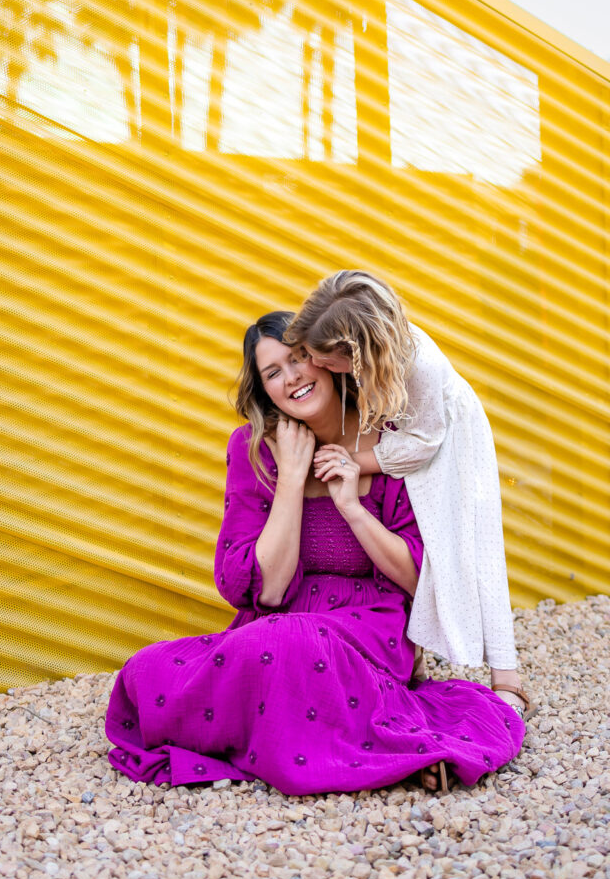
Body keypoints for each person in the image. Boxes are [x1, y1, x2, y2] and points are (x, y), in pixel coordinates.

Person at [105, 312, 524, 795]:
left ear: (327, 360)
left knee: (290, 647)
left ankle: (385, 749)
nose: (292, 378)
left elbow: (421, 578)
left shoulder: (392, 441)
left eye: (298, 359)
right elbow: (266, 591)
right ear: (264, 392)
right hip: (273, 625)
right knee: (144, 671)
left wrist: (352, 508)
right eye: (273, 373)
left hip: (372, 624)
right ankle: (361, 743)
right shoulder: (253, 449)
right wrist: (289, 477)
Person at [284, 271, 530, 720]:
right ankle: (409, 645)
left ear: (355, 352)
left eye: (326, 361)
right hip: (408, 440)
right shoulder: (376, 353)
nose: (319, 368)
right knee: (413, 545)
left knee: (469, 546)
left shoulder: (422, 366)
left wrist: (357, 462)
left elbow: (423, 443)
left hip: (449, 448)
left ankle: (506, 675)